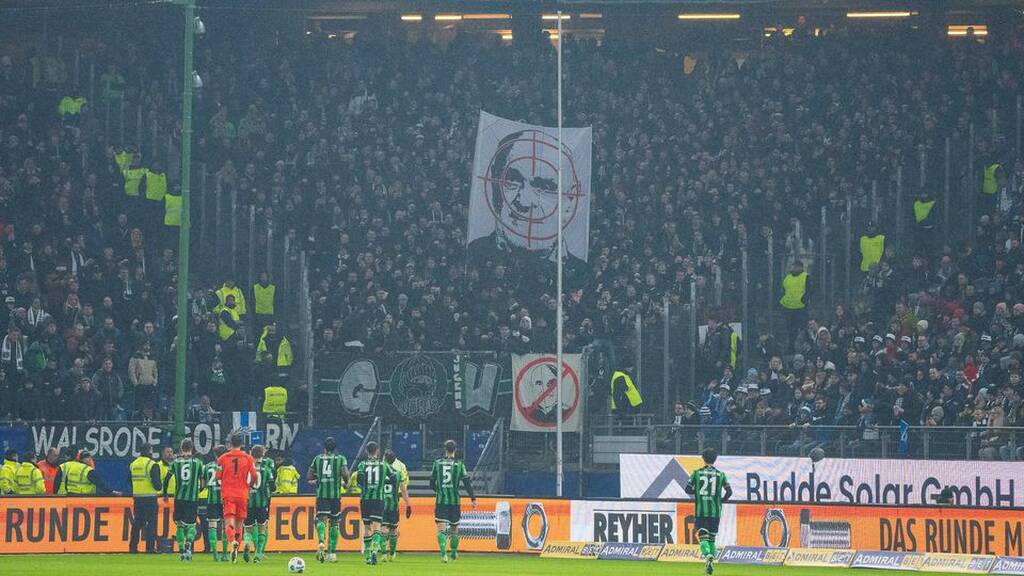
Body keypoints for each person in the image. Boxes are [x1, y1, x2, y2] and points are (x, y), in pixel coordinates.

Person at [684, 448, 732, 576]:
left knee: (702, 537)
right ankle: (710, 565)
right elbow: (729, 492)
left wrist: (699, 493)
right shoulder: (721, 475)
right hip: (715, 512)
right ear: (715, 459)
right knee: (712, 539)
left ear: (703, 458)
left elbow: (687, 489)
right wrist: (720, 500)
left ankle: (708, 555)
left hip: (701, 512)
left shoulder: (696, 473)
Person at [430, 439, 476, 563]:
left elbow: (431, 483)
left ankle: (443, 554)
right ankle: (454, 552)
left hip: (441, 501)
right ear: (455, 450)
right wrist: (473, 498)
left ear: (445, 449)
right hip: (455, 502)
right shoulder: (460, 465)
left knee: (441, 529)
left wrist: (439, 491)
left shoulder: (437, 463)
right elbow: (467, 483)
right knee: (454, 528)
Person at [217, 433, 257, 563]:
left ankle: (232, 542)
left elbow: (218, 476)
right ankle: (237, 547)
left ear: (230, 443)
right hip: (243, 494)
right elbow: (254, 475)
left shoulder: (222, 458)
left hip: (228, 494)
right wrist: (249, 485)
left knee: (229, 523)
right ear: (242, 444)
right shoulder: (248, 458)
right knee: (240, 525)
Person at [162, 439, 204, 561]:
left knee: (180, 525)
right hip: (192, 499)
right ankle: (188, 547)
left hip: (179, 498)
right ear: (192, 448)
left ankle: (181, 550)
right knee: (191, 525)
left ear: (181, 448)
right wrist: (198, 490)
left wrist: (165, 493)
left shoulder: (175, 463)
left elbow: (166, 479)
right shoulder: (198, 463)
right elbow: (203, 481)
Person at [309, 437, 349, 563]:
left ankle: (321, 542)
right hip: (335, 496)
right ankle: (332, 553)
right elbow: (345, 474)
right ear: (335, 448)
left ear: (324, 448)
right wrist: (345, 482)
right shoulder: (340, 458)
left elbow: (309, 475)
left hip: (322, 495)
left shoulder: (317, 459)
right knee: (334, 523)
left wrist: (316, 480)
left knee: (321, 519)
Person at [355, 441, 394, 565]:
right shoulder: (384, 465)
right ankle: (375, 551)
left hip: (366, 499)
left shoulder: (362, 464)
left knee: (367, 527)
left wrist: (367, 486)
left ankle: (367, 554)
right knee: (377, 526)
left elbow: (359, 480)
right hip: (378, 499)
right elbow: (394, 479)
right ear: (377, 451)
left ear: (367, 451)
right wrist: (383, 482)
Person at [128, 443, 162, 554]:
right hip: (150, 498)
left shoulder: (133, 464)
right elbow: (157, 484)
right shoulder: (152, 464)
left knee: (137, 523)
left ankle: (133, 547)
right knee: (151, 523)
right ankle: (150, 548)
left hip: (137, 498)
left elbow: (129, 480)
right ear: (150, 451)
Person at [243, 444, 274, 563]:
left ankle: (246, 544)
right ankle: (257, 554)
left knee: (248, 529)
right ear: (262, 455)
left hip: (248, 502)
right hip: (262, 503)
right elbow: (272, 486)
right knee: (262, 529)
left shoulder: (245, 469)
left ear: (251, 454)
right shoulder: (267, 470)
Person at [382, 449, 413, 562]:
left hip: (382, 504)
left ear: (385, 458)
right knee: (394, 529)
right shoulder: (400, 470)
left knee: (383, 528)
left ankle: (384, 553)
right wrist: (408, 504)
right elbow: (404, 489)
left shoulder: (380, 470)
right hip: (394, 502)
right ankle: (392, 552)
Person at [203, 445, 229, 561]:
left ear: (215, 454)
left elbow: (203, 485)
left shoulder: (207, 466)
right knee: (226, 526)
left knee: (212, 526)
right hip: (225, 499)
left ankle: (215, 554)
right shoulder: (228, 466)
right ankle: (224, 554)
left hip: (211, 501)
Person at [53, 451, 119, 495]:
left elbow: (57, 482)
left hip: (70, 495)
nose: (89, 460)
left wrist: (55, 494)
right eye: (88, 458)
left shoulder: (71, 466)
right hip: (84, 497)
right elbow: (100, 483)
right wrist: (111, 491)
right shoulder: (87, 470)